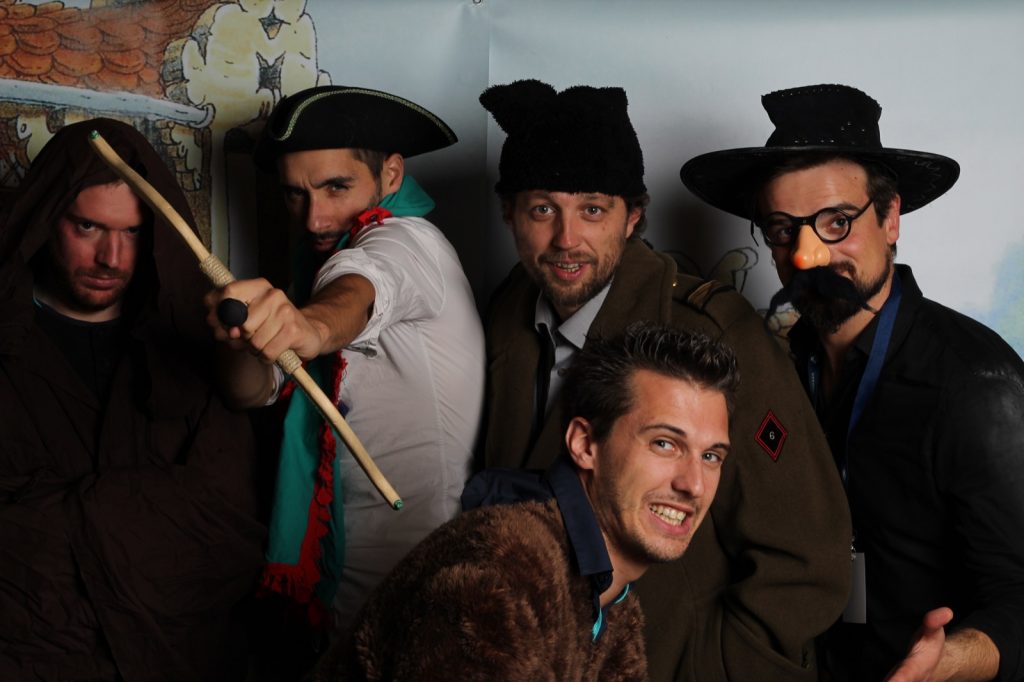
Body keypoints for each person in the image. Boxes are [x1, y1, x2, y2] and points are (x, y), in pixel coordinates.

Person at [479, 79, 851, 681]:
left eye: (593, 210)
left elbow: (808, 557)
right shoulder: (507, 312)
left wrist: (713, 668)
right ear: (510, 215)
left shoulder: (713, 330)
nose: (567, 239)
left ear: (632, 217)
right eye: (543, 209)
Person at [681, 83, 1024, 681]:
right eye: (783, 229)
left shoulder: (975, 382)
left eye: (837, 222)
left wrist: (947, 661)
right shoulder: (778, 365)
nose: (807, 255)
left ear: (890, 219)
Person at [205, 86, 485, 636]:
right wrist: (237, 339)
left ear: (391, 175)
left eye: (337, 187)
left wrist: (310, 327)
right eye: (295, 194)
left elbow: (360, 288)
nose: (315, 219)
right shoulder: (312, 267)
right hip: (334, 591)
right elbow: (247, 392)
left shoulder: (409, 243)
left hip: (414, 594)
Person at [311, 322, 738, 680]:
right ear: (584, 444)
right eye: (664, 444)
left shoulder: (614, 607)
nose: (694, 485)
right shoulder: (503, 572)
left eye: (711, 456)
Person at [0, 118, 265, 680]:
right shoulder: (10, 342)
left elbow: (227, 531)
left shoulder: (192, 346)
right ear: (47, 218)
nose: (112, 258)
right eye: (88, 226)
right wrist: (140, 517)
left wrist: (62, 515)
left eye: (133, 232)